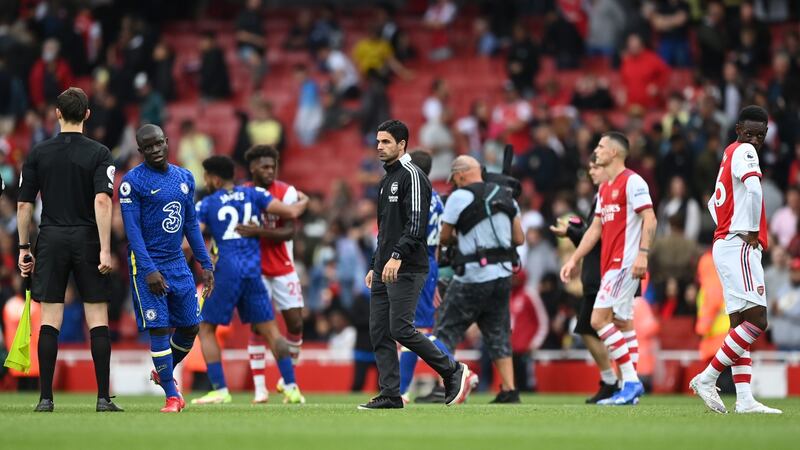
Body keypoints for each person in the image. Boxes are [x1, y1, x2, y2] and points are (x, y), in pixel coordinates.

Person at [17, 87, 122, 413]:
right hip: (88, 237)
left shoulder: (38, 153)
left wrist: (24, 247)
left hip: (50, 237)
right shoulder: (100, 153)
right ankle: (103, 398)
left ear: (57, 114)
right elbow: (102, 200)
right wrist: (105, 249)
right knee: (97, 317)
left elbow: (23, 206)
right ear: (87, 114)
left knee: (50, 319)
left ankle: (46, 398)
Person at [359, 120, 472, 410]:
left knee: (401, 329)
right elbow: (384, 230)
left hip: (408, 266)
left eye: (386, 142)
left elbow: (417, 222)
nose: (380, 147)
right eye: (378, 141)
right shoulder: (385, 180)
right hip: (385, 266)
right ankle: (391, 394)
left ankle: (452, 370)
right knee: (379, 330)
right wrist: (375, 263)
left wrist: (397, 256)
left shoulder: (414, 176)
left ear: (402, 144)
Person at [192, 155, 308, 405]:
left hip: (226, 271)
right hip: (253, 271)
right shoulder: (254, 195)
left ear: (213, 178)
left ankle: (220, 390)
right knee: (272, 331)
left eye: (206, 177)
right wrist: (304, 200)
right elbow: (292, 211)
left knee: (206, 328)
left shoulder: (207, 203)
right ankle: (291, 386)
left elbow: (189, 241)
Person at [689, 105, 782, 414]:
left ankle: (744, 398)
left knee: (740, 323)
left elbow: (712, 204)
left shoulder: (729, 152)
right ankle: (707, 377)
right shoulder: (745, 153)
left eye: (760, 135)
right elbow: (754, 189)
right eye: (749, 133)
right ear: (738, 130)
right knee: (758, 321)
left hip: (727, 242)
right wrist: (751, 231)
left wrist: (726, 227)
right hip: (740, 244)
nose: (754, 139)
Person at [119, 124, 214, 413]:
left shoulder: (184, 177)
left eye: (158, 143)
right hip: (147, 262)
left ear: (167, 142)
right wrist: (148, 270)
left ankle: (163, 371)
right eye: (148, 147)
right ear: (140, 150)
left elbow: (191, 226)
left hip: (176, 261)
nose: (155, 149)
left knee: (190, 326)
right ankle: (172, 395)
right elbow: (132, 232)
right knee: (159, 327)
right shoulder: (132, 182)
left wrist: (206, 263)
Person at [560, 132, 657, 405]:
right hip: (611, 264)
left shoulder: (633, 182)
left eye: (601, 146)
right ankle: (631, 388)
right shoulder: (605, 188)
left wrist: (643, 255)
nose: (597, 150)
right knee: (622, 323)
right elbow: (595, 229)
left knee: (598, 320)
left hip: (625, 263)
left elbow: (650, 218)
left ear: (614, 152)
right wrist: (574, 259)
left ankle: (631, 382)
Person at [435, 155, 525, 403]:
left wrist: (462, 239)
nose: (454, 183)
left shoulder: (459, 197)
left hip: (474, 275)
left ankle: (448, 385)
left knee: (445, 329)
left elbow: (444, 238)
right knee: (497, 332)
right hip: (503, 275)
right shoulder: (506, 195)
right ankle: (509, 390)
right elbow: (519, 238)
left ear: (460, 174)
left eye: (454, 179)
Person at [236, 145, 307, 402]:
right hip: (255, 271)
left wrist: (259, 232)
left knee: (296, 324)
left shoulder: (286, 192)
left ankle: (286, 380)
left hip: (283, 268)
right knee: (258, 327)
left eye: (272, 167)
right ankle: (260, 389)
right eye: (264, 166)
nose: (269, 171)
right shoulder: (242, 193)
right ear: (252, 167)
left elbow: (289, 231)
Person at [550, 154, 618, 403]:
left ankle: (622, 380)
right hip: (596, 273)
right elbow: (592, 237)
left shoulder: (611, 196)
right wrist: (571, 232)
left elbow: (600, 237)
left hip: (606, 272)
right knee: (587, 328)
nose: (591, 171)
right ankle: (613, 380)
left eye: (595, 167)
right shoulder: (601, 196)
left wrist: (574, 244)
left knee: (605, 327)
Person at [397, 150, 462, 404]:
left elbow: (411, 234)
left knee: (412, 329)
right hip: (429, 262)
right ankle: (401, 390)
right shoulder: (436, 198)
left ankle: (457, 370)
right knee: (409, 328)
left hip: (415, 263)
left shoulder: (416, 196)